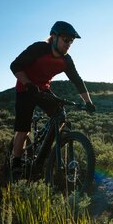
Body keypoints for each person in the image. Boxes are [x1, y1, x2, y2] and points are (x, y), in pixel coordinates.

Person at [9, 20, 95, 179]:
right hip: (25, 88)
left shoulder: (66, 60)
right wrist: (28, 83)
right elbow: (15, 66)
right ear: (54, 37)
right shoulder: (39, 49)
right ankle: (15, 162)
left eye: (71, 41)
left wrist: (88, 102)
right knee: (23, 129)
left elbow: (77, 80)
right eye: (66, 39)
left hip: (42, 89)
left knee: (60, 115)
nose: (69, 44)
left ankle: (42, 157)